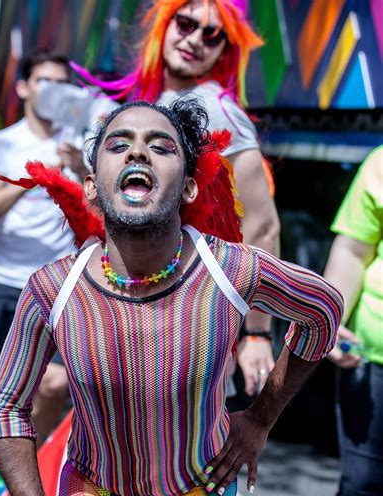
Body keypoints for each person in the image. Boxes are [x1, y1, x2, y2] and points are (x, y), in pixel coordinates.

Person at [0, 99, 342, 496]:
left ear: (190, 182)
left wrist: (258, 419)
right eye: (119, 144)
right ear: (93, 182)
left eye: (162, 144)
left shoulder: (230, 269)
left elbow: (323, 312)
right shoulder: (53, 287)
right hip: (91, 495)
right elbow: (4, 408)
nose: (139, 152)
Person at [72, 0, 280, 396]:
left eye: (212, 34)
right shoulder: (135, 103)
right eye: (185, 23)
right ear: (164, 25)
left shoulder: (218, 110)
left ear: (224, 49)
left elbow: (263, 225)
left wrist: (256, 334)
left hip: (188, 317)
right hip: (118, 304)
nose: (195, 39)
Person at [283, 146, 382, 496]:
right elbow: (353, 250)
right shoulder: (380, 163)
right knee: (361, 489)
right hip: (376, 361)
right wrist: (335, 318)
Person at [0, 50, 82, 496]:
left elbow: (103, 215)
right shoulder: (3, 142)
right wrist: (31, 176)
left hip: (61, 284)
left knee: (54, 382)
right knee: (8, 388)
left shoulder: (81, 143)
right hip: (6, 278)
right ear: (24, 87)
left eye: (60, 82)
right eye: (42, 81)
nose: (50, 91)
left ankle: (30, 464)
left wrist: (78, 169)